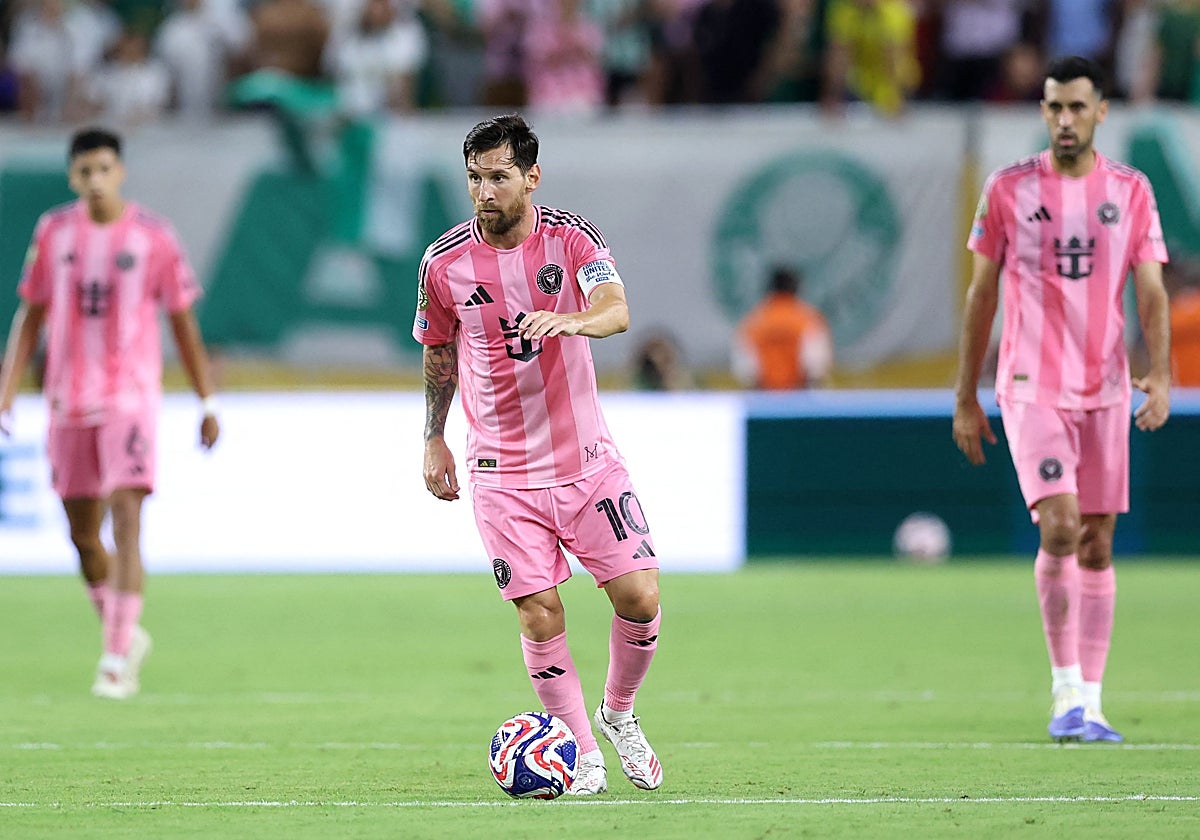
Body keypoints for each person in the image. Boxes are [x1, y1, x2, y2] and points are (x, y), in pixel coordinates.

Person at [414, 114, 663, 795]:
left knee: (639, 598)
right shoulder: (443, 262)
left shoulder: (572, 238)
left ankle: (618, 714)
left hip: (586, 461)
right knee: (539, 611)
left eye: (498, 177)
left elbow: (616, 308)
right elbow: (439, 351)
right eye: (473, 178)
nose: (484, 192)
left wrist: (570, 319)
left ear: (532, 176)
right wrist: (433, 437)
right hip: (501, 471)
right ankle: (581, 754)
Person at [953, 56, 1171, 744]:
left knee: (1100, 545)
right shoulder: (1009, 188)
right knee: (1061, 527)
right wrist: (965, 395)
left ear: (1101, 111)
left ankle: (1094, 702)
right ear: (1043, 111)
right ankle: (1065, 692)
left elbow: (1152, 290)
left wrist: (1159, 375)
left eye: (1077, 107)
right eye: (1054, 108)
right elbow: (981, 294)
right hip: (1030, 386)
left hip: (1105, 389)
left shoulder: (1131, 191)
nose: (1065, 120)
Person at [0, 127, 221, 700]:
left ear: (119, 171)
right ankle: (122, 629)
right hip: (67, 402)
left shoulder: (154, 237)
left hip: (129, 398)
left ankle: (116, 658)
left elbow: (182, 322)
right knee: (82, 534)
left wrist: (207, 399)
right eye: (84, 172)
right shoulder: (53, 232)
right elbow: (31, 314)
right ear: (73, 178)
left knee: (126, 515)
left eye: (103, 169)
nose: (94, 181)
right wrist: (5, 391)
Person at [732, 265, 833, 390]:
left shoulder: (753, 322)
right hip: (799, 397)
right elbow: (815, 366)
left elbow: (746, 370)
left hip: (763, 397)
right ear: (796, 288)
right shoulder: (808, 320)